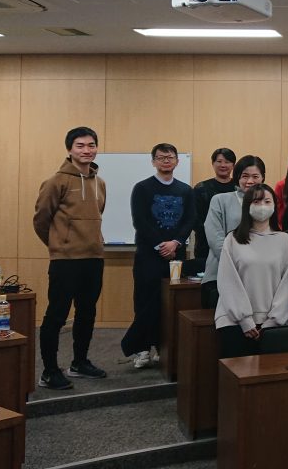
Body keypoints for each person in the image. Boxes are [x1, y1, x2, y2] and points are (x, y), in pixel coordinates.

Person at [33, 126, 109, 389]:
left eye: (91, 145)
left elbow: (98, 215)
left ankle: (79, 363)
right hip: (65, 260)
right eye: (80, 145)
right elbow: (41, 220)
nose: (87, 150)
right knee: (56, 315)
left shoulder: (100, 183)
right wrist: (59, 244)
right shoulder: (56, 181)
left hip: (94, 258)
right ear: (69, 149)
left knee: (87, 313)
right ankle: (49, 371)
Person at [122, 143, 196, 369]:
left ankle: (162, 348)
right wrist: (160, 245)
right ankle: (142, 349)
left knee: (170, 303)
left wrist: (175, 242)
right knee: (145, 301)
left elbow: (190, 219)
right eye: (161, 157)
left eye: (170, 157)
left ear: (177, 161)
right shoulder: (142, 188)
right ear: (153, 161)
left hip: (176, 256)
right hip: (148, 255)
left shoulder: (185, 190)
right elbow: (140, 220)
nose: (166, 161)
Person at [214, 184, 288, 358]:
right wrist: (245, 320)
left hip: (273, 323)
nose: (262, 206)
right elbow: (227, 282)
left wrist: (273, 321)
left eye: (267, 201)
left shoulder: (284, 240)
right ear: (247, 206)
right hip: (234, 321)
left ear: (274, 206)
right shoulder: (233, 239)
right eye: (257, 201)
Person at [202, 155, 266, 308]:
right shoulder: (220, 200)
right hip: (222, 273)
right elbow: (215, 238)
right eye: (245, 176)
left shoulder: (268, 202)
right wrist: (237, 264)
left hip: (258, 277)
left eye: (255, 176)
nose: (249, 181)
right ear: (237, 177)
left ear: (262, 178)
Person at [189, 148, 236, 275]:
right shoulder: (201, 188)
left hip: (236, 243)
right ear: (213, 164)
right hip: (205, 245)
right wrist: (214, 236)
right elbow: (194, 218)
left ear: (233, 165)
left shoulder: (238, 187)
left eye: (227, 162)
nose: (223, 165)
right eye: (219, 161)